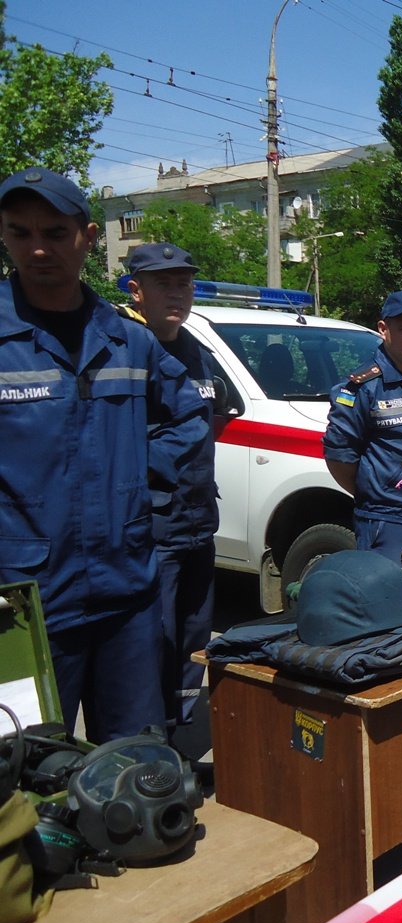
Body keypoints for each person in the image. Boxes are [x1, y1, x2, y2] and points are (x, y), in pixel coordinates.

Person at [0, 167, 206, 742]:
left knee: (137, 766)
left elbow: (187, 416)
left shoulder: (128, 339)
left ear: (88, 238)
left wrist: (134, 478)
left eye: (55, 233)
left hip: (126, 592)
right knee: (29, 774)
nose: (38, 248)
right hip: (23, 602)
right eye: (20, 232)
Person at [125, 242, 219, 739]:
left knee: (192, 638)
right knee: (151, 640)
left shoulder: (196, 352)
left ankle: (180, 741)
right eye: (164, 283)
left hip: (198, 522)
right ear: (136, 291)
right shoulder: (126, 350)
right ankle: (150, 746)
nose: (177, 293)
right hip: (153, 526)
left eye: (184, 282)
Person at [323, 290, 402, 563]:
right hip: (389, 523)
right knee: (389, 599)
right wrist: (378, 492)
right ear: (383, 329)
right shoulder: (366, 387)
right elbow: (339, 456)